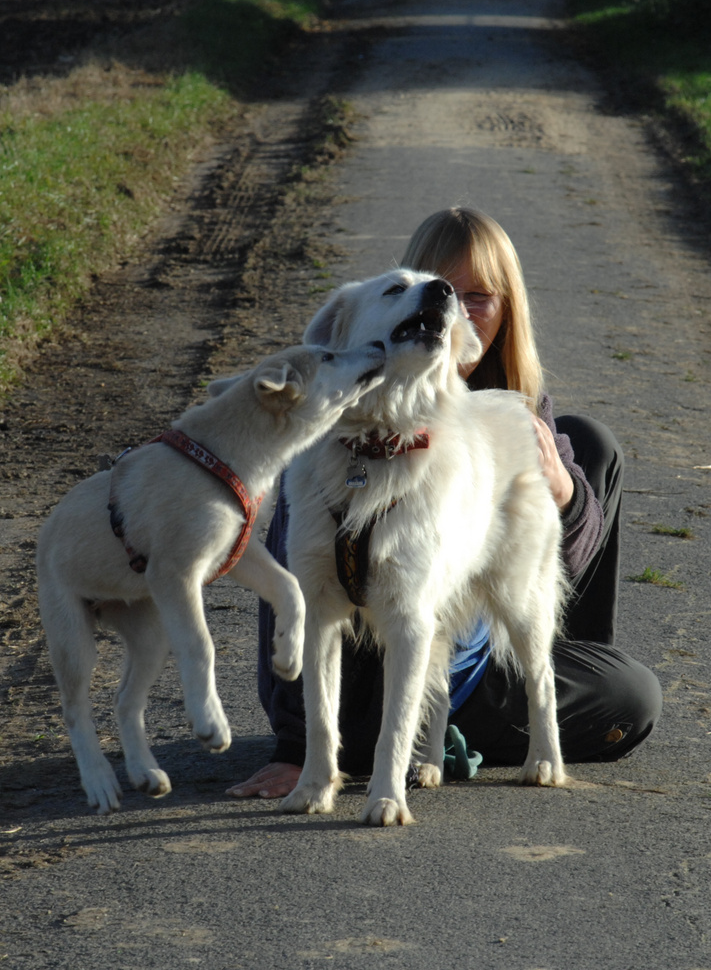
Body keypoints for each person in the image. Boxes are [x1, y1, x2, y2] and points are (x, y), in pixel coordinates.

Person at [227, 207, 661, 799]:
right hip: (364, 689)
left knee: (588, 446)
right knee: (629, 697)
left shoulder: (516, 407)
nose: (442, 300)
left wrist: (562, 489)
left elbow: (563, 568)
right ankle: (386, 739)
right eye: (435, 284)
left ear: (505, 311)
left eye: (476, 294)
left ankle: (541, 683)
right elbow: (296, 592)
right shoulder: (320, 434)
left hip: (468, 655)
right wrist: (297, 749)